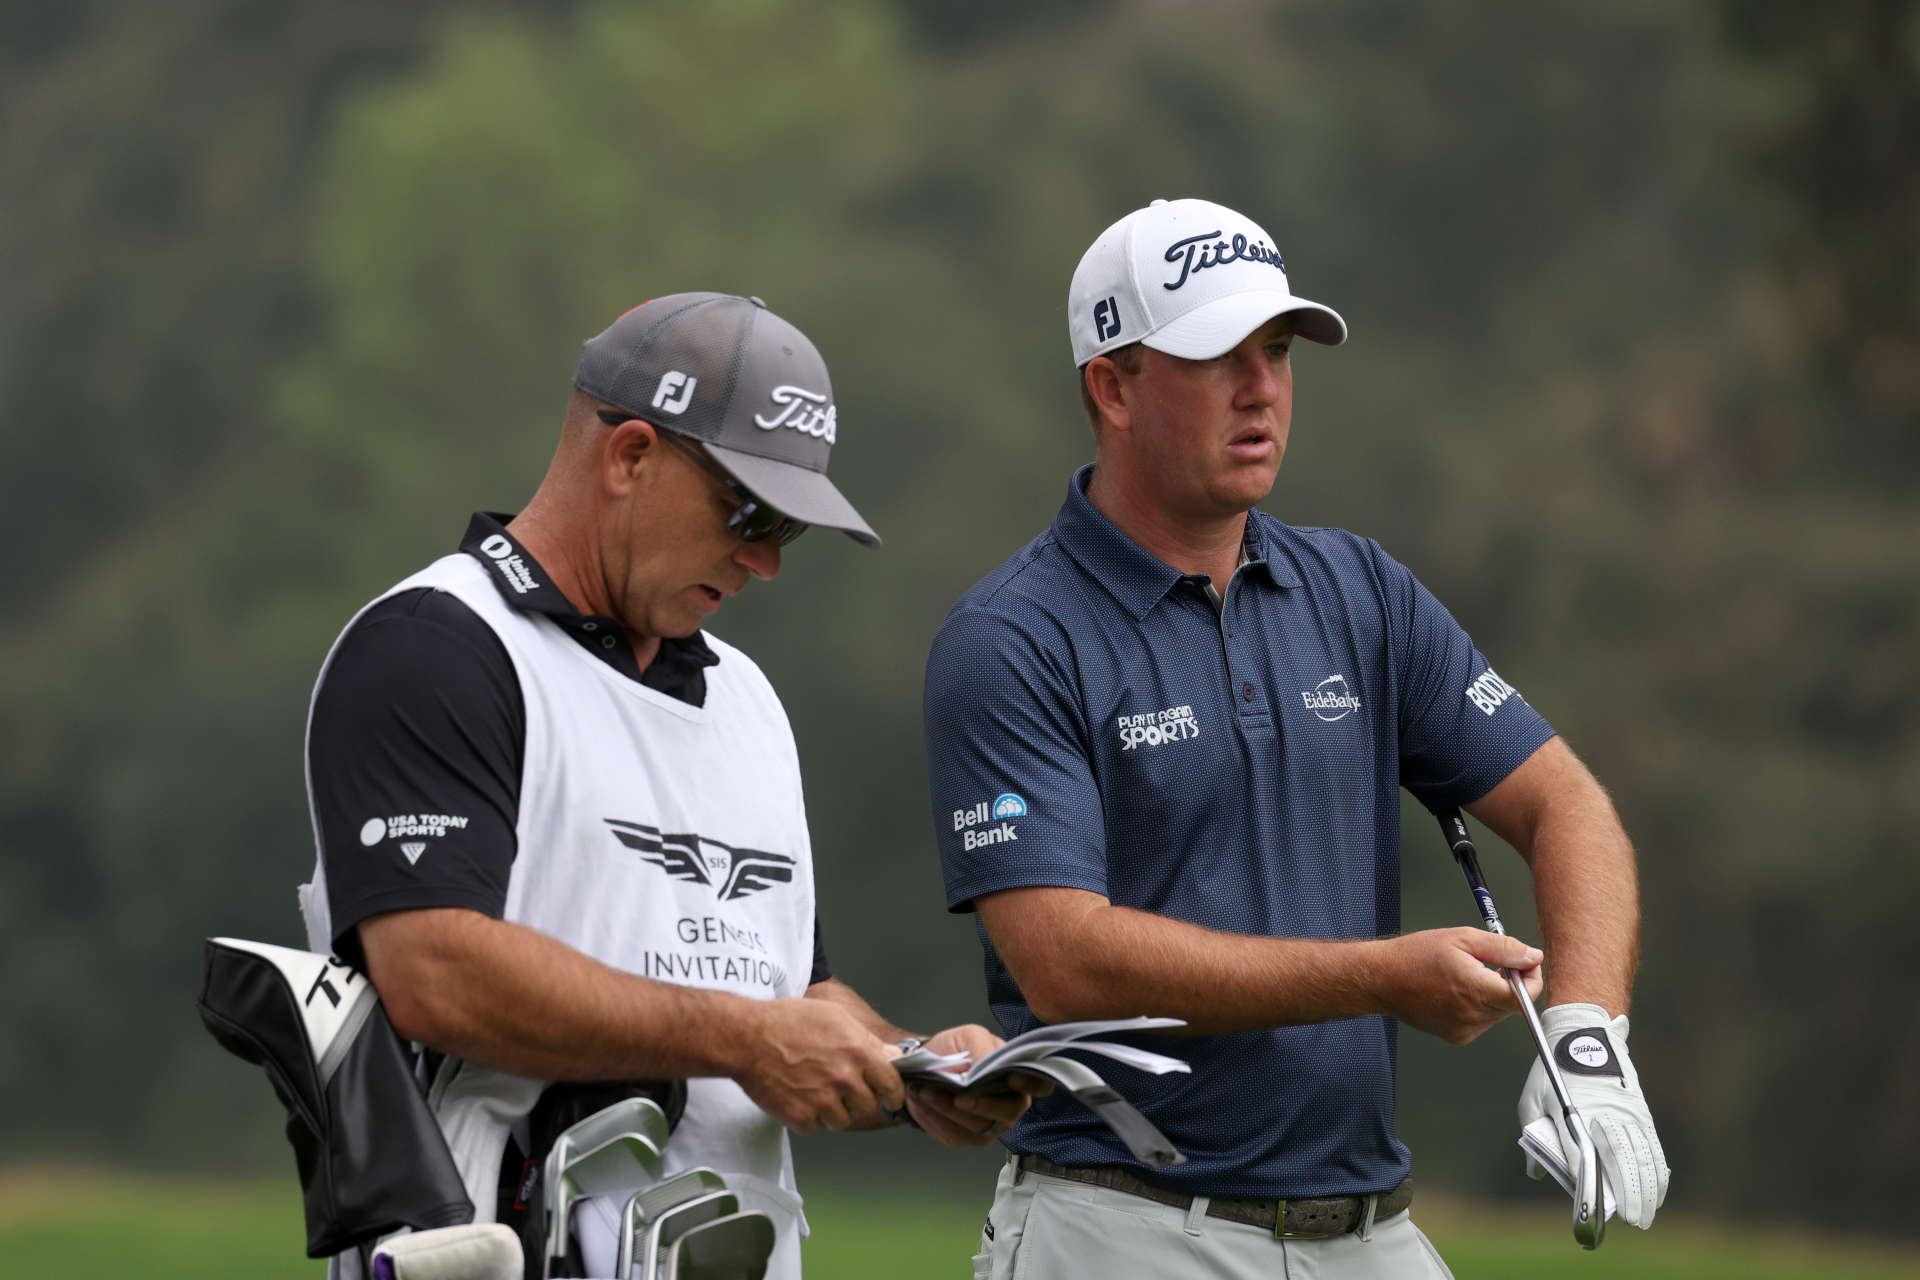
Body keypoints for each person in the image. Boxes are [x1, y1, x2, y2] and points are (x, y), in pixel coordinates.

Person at [922, 200, 1669, 1278]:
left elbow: (1567, 804)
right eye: (1215, 357)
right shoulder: (1013, 635)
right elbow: (1065, 960)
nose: (1261, 388)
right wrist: (1380, 976)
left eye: (1275, 351)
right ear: (1113, 387)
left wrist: (1589, 1035)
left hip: (1371, 1230)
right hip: (1123, 1224)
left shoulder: (1361, 591)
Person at [297, 292, 1035, 1280]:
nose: (766, 561)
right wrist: (750, 1040)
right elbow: (433, 970)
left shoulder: (748, 698)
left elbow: (786, 992)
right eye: (750, 512)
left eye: (790, 529)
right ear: (631, 455)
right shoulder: (435, 645)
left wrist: (911, 1066)